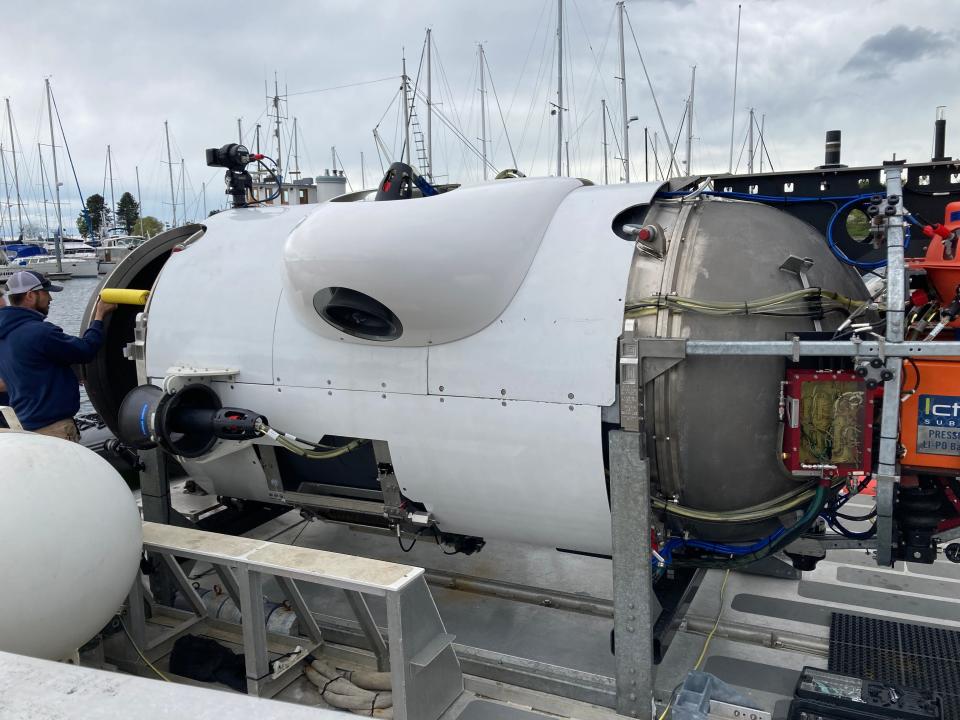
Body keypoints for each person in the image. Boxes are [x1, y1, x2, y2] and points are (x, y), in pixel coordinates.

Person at [0, 270, 116, 441]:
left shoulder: (4, 335)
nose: (50, 299)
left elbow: (32, 366)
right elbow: (85, 350)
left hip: (25, 427)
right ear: (31, 296)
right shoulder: (40, 333)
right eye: (46, 292)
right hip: (54, 429)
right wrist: (99, 316)